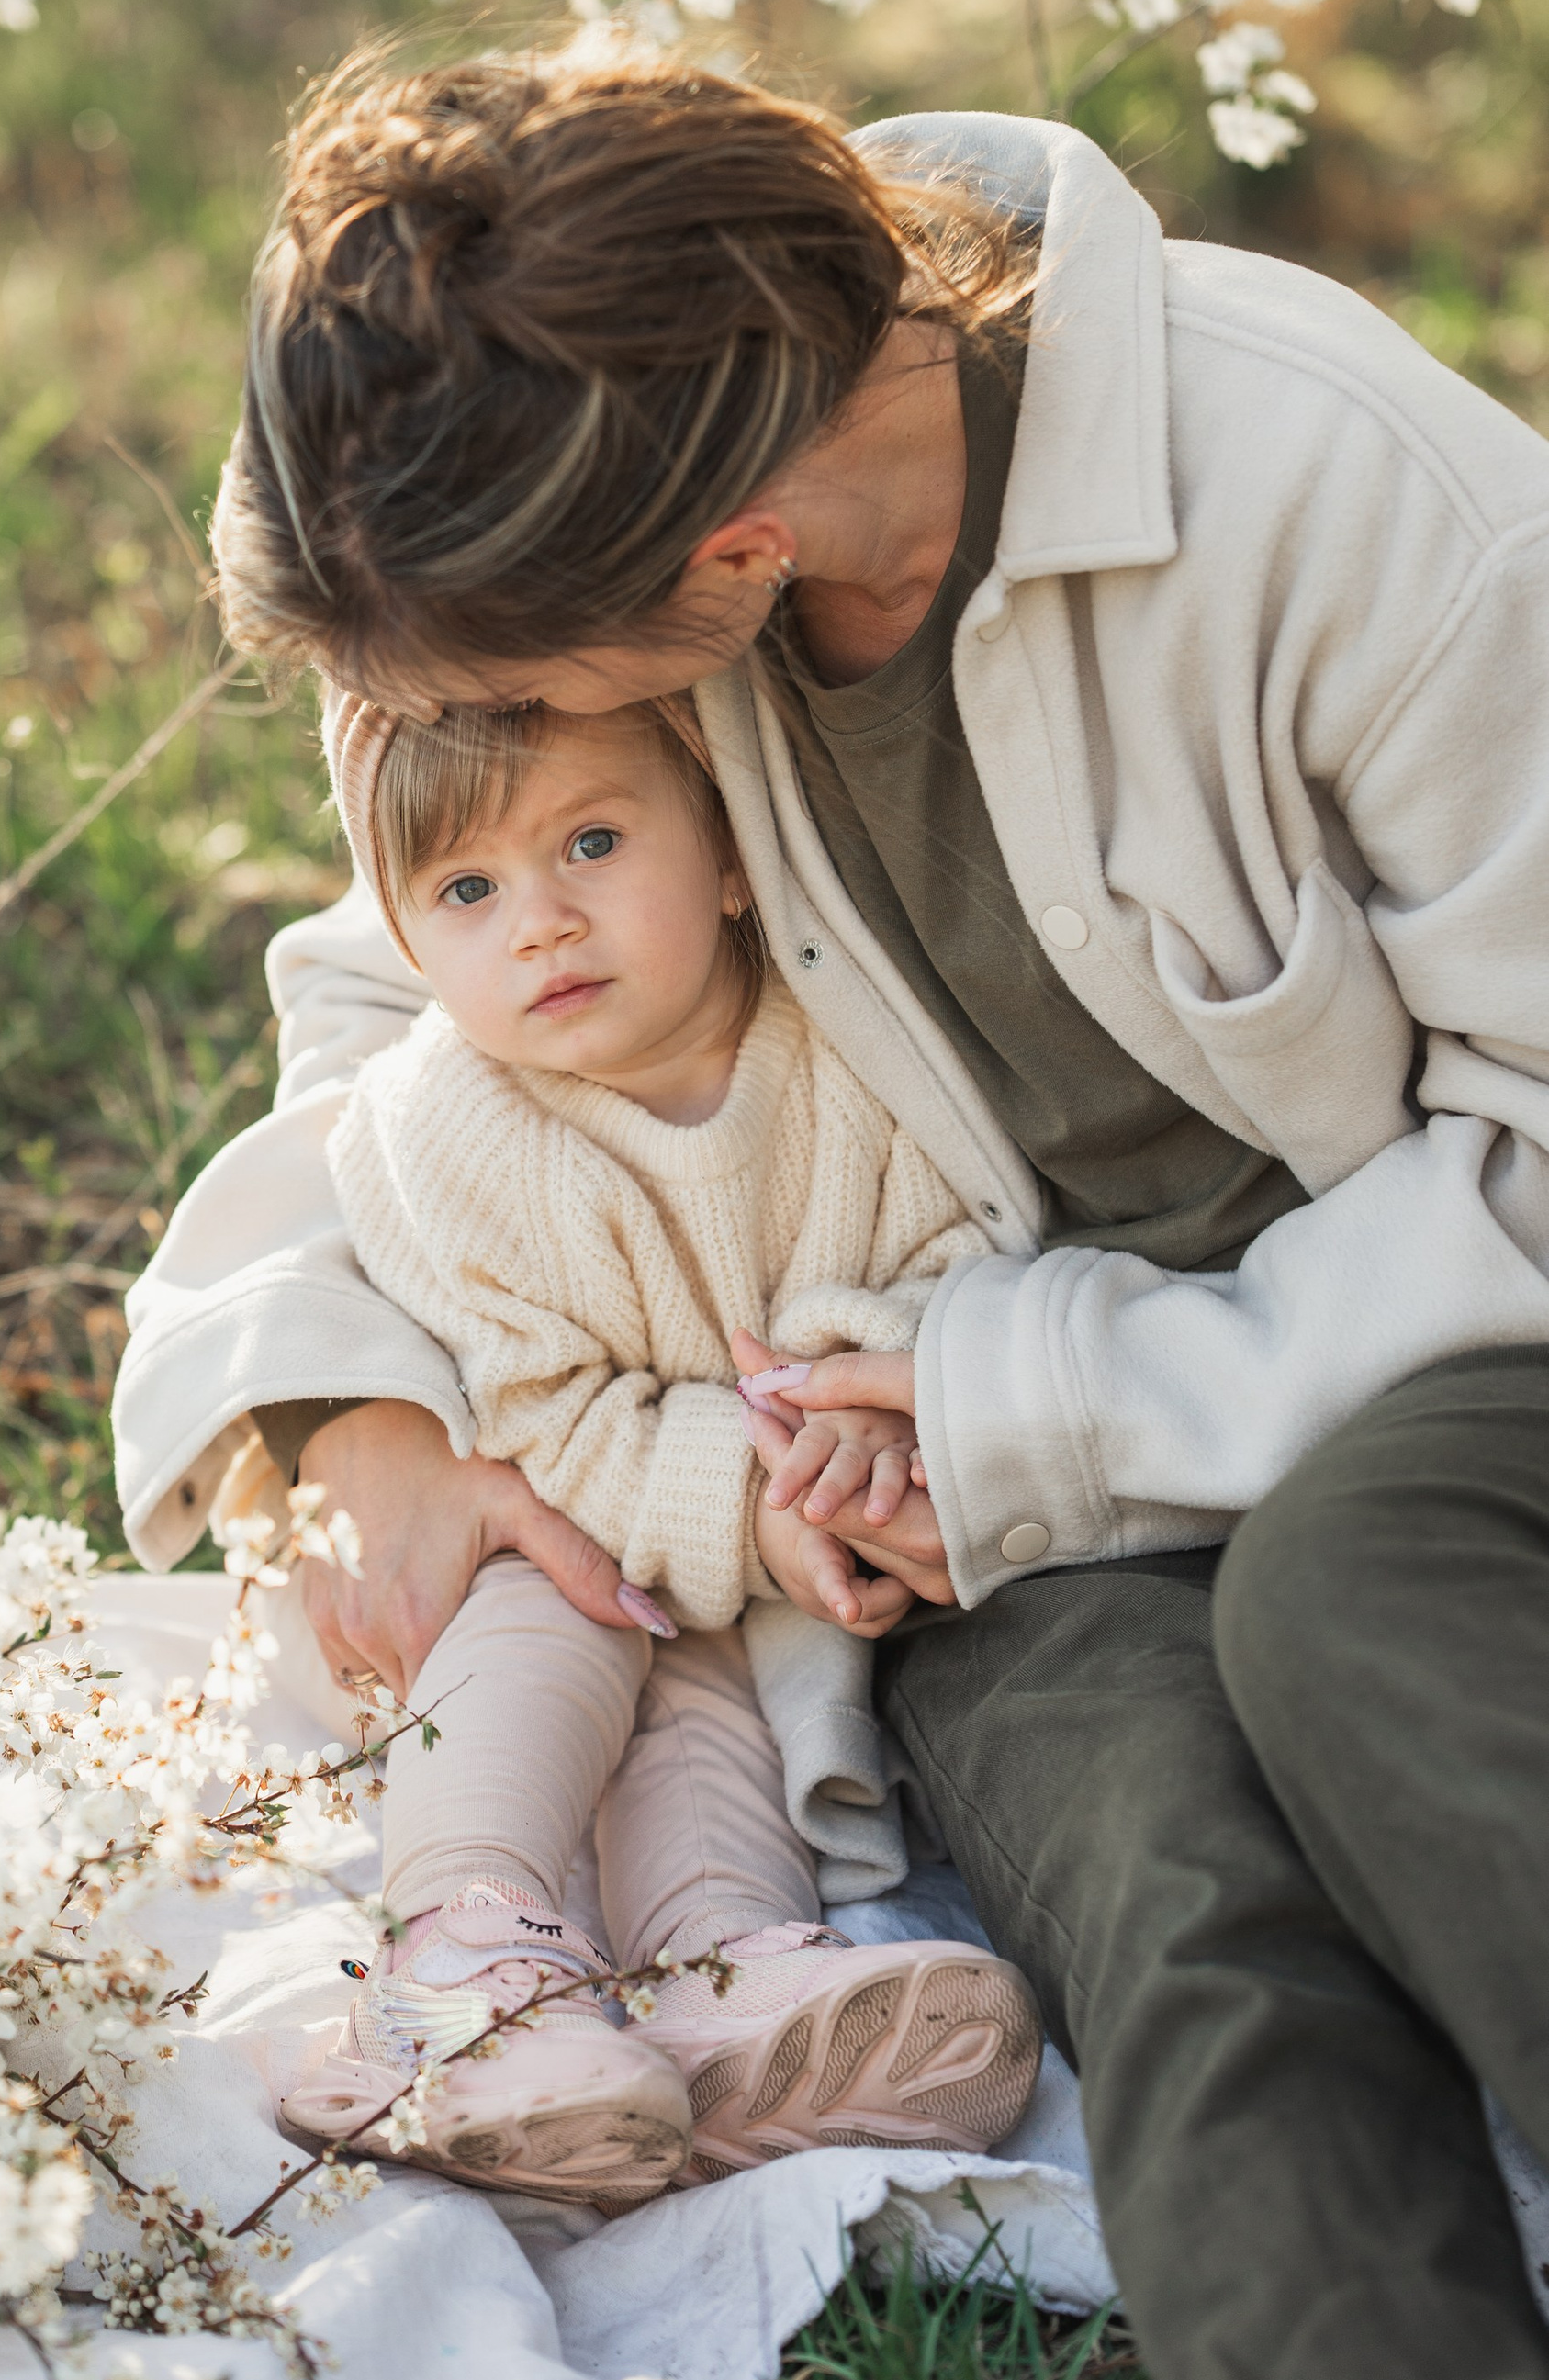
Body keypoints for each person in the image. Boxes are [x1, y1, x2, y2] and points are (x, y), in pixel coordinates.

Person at [110, 43, 1549, 2380]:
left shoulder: (1345, 498)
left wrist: (1047, 1408)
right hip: (959, 1502)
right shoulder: (602, 531)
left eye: (503, 680)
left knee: (1352, 1620)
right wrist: (348, 1411)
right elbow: (397, 986)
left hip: (1445, 1349)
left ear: (733, 558)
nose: (473, 737)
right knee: (1163, 1883)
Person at [271, 683, 1043, 2201]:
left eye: (594, 844)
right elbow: (537, 1413)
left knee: (721, 1695)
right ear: (411, 946)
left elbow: (960, 1244)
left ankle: (714, 1984)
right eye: (469, 891)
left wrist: (866, 1406)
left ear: (735, 853)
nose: (542, 924)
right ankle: (452, 1959)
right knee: (567, 1608)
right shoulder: (445, 1127)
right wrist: (751, 1500)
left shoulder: (858, 1052)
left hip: (762, 1573)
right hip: (550, 1526)